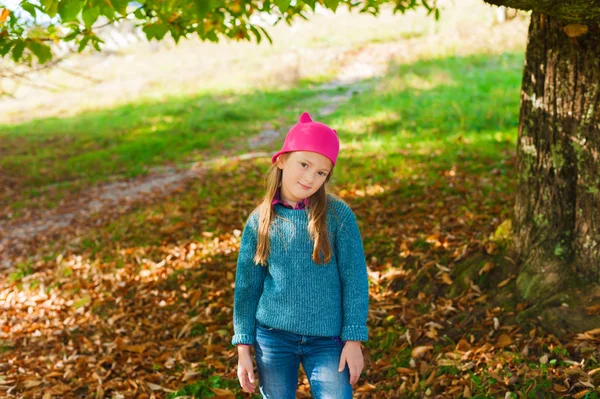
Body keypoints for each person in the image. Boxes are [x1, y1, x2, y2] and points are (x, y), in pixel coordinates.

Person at [231, 111, 369, 399]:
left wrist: (353, 339)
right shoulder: (260, 221)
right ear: (282, 160)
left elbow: (355, 280)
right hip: (272, 338)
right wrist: (243, 347)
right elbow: (247, 287)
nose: (310, 178)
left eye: (321, 173)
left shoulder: (337, 216)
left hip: (328, 340)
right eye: (304, 164)